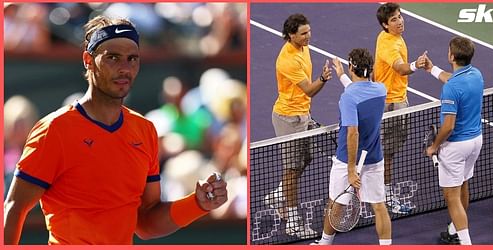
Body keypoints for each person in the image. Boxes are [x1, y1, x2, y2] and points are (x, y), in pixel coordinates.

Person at [3, 16, 228, 245]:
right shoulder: (53, 129)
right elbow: (14, 208)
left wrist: (197, 204)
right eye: (113, 58)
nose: (124, 68)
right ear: (88, 60)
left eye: (132, 59)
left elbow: (146, 223)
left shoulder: (145, 130)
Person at [312, 48, 391, 245]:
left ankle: (324, 243)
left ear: (351, 67)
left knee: (336, 205)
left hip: (347, 160)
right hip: (374, 158)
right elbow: (358, 91)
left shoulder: (348, 98)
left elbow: (352, 132)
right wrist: (341, 75)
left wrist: (350, 169)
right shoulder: (381, 90)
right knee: (379, 206)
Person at [264, 13, 332, 238]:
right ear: (291, 35)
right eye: (303, 34)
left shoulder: (304, 48)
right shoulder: (287, 60)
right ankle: (293, 221)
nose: (308, 36)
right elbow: (310, 89)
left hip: (303, 114)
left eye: (309, 31)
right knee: (292, 170)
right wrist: (322, 79)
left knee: (307, 158)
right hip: (288, 119)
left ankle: (278, 194)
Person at [424, 36, 483, 245]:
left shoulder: (450, 89)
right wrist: (432, 69)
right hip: (475, 141)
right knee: (463, 184)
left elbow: (448, 126)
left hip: (456, 147)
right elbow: (453, 79)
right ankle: (454, 230)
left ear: (452, 56)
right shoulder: (476, 75)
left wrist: (434, 146)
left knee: (451, 196)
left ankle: (466, 243)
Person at [374, 2, 427, 214]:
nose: (400, 21)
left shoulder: (390, 37)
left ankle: (378, 190)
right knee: (387, 154)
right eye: (394, 19)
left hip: (394, 101)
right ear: (385, 25)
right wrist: (417, 65)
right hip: (391, 105)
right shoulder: (389, 44)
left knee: (386, 152)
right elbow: (400, 68)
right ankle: (385, 195)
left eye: (400, 16)